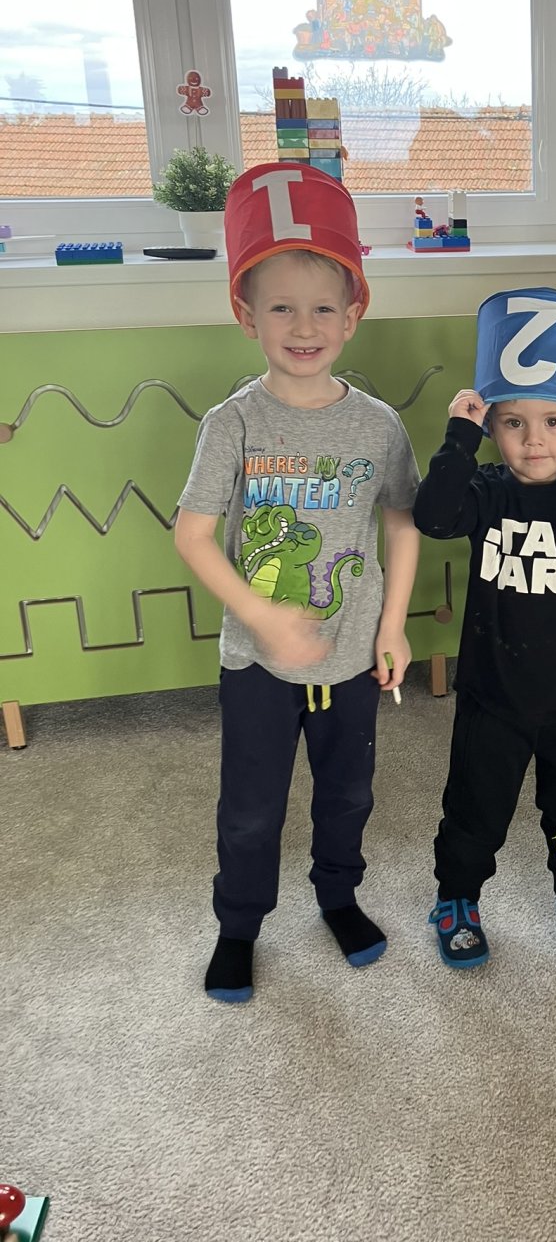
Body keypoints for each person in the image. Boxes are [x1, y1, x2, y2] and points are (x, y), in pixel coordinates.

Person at [174, 162, 420, 1003]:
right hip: (256, 662)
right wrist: (260, 614)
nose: (304, 326)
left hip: (351, 656)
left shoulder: (378, 425)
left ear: (354, 314)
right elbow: (192, 534)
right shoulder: (233, 424)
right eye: (281, 307)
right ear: (246, 315)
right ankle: (238, 925)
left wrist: (393, 624)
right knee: (251, 806)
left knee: (348, 795)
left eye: (322, 308)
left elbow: (400, 520)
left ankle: (338, 898)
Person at [413, 288, 556, 967]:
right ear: (493, 426)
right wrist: (459, 435)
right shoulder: (486, 491)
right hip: (493, 700)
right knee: (474, 810)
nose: (535, 438)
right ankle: (456, 897)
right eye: (514, 422)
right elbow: (433, 517)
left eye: (554, 421)